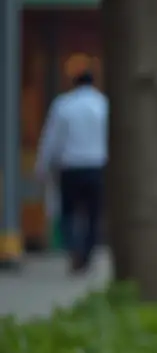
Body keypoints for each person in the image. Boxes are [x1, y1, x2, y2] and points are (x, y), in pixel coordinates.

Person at [35, 69, 108, 273]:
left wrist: (42, 165)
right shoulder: (103, 105)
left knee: (68, 213)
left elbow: (51, 138)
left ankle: (74, 249)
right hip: (96, 166)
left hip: (71, 167)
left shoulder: (63, 105)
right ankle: (87, 252)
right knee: (94, 214)